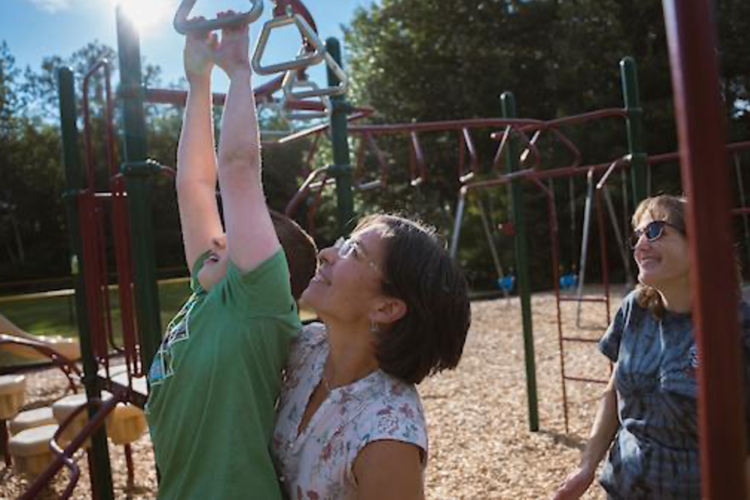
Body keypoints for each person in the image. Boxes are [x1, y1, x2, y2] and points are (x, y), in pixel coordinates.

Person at [144, 15, 317, 500]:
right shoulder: (209, 293)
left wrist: (240, 72)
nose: (218, 239)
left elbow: (237, 170)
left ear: (268, 271)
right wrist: (198, 81)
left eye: (234, 239)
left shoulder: (259, 303)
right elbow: (193, 186)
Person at [554, 194, 750, 500]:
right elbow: (613, 389)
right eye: (638, 235)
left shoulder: (735, 325)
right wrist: (586, 467)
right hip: (621, 488)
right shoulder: (635, 309)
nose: (640, 245)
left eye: (655, 231)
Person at [271, 213, 472, 499]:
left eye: (353, 252)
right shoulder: (307, 348)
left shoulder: (386, 437)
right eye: (342, 245)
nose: (326, 254)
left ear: (386, 309)